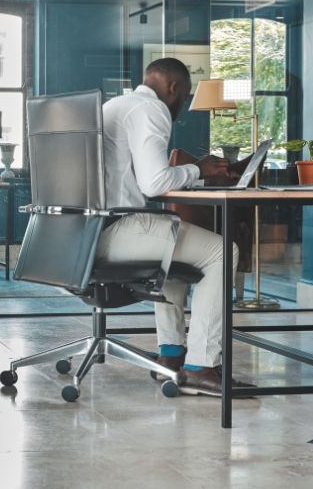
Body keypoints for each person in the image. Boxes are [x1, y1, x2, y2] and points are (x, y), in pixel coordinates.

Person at [96, 57, 247, 396]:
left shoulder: (114, 105)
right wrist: (201, 170)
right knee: (224, 251)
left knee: (178, 252)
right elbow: (155, 183)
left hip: (85, 233)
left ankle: (172, 355)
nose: (183, 104)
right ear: (174, 88)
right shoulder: (151, 109)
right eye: (186, 94)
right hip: (116, 228)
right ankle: (202, 366)